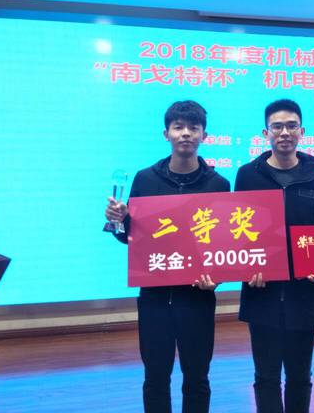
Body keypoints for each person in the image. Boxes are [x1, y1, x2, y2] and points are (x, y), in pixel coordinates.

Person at [105, 100, 230, 413]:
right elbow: (132, 238)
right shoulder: (145, 179)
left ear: (204, 135)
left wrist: (216, 279)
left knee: (197, 377)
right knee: (155, 377)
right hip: (154, 298)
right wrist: (119, 220)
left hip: (197, 298)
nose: (185, 133)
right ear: (166, 134)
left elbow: (223, 244)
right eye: (178, 127)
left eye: (193, 128)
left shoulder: (218, 184)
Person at [234, 99, 314, 413]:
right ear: (265, 132)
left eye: (291, 126)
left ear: (301, 131)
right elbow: (238, 231)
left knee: (299, 376)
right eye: (277, 126)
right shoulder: (248, 175)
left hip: (305, 293)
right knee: (265, 376)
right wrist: (246, 268)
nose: (285, 132)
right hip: (261, 293)